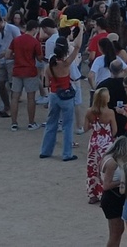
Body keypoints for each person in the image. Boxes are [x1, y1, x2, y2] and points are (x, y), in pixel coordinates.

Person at [40, 29, 83, 161]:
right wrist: (80, 29)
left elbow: (46, 83)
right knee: (67, 125)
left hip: (54, 94)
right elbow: (77, 46)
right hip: (66, 95)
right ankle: (67, 153)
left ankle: (46, 150)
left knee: (51, 123)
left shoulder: (49, 65)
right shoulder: (66, 64)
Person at [7, 19, 43, 131]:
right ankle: (31, 123)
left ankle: (14, 123)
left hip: (17, 71)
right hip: (30, 71)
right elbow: (40, 58)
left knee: (15, 97)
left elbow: (8, 55)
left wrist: (17, 57)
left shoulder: (16, 40)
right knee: (31, 98)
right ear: (34, 29)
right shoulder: (35, 42)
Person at [85, 87, 118, 203]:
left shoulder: (89, 111)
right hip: (106, 143)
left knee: (92, 167)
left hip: (94, 141)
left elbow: (85, 128)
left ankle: (92, 194)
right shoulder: (110, 112)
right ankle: (103, 194)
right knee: (104, 168)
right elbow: (114, 130)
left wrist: (94, 125)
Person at [101, 136, 127, 247]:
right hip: (112, 198)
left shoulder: (106, 158)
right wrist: (122, 181)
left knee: (118, 231)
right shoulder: (113, 163)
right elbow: (106, 185)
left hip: (112, 198)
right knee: (116, 233)